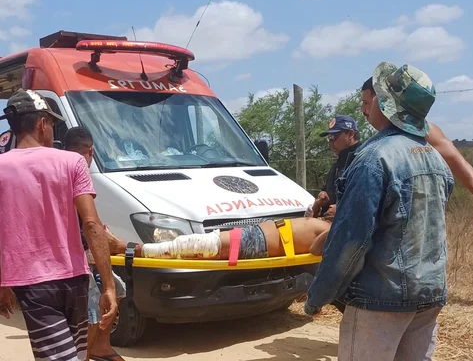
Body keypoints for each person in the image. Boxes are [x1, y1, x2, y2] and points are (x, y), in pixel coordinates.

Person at [304, 62, 454, 361]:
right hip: (429, 294)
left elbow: (351, 240)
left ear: (385, 105)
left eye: (370, 100)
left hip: (381, 299)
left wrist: (318, 295)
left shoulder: (373, 159)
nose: (365, 107)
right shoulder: (434, 159)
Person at [0, 89, 118, 361]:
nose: (53, 129)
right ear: (42, 124)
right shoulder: (73, 162)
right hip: (75, 280)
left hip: (33, 285)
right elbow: (91, 224)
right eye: (52, 123)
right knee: (75, 355)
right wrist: (109, 287)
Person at [360, 76, 473, 232]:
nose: (363, 110)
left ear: (381, 101)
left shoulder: (424, 132)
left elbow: (455, 160)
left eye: (366, 103)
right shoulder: (374, 146)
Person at [64, 126, 127, 361]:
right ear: (91, 151)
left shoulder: (64, 168)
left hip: (82, 252)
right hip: (74, 259)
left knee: (117, 289)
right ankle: (85, 355)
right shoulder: (76, 171)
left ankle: (100, 346)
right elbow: (90, 225)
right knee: (92, 308)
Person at [108, 217, 331, 261]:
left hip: (258, 242)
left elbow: (315, 249)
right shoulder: (323, 220)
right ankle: (129, 247)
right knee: (192, 247)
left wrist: (334, 227)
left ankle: (129, 248)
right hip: (255, 235)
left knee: (192, 247)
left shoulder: (333, 228)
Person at [308, 115, 361, 220]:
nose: (330, 143)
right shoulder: (338, 164)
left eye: (334, 137)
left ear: (350, 134)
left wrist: (342, 211)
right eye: (329, 138)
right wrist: (323, 197)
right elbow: (330, 192)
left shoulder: (363, 161)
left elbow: (368, 200)